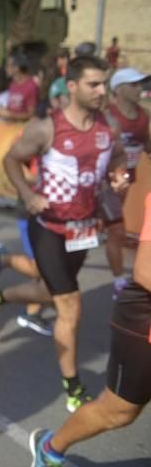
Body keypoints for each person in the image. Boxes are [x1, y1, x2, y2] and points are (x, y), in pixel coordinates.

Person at [0, 55, 129, 412]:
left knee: (49, 290)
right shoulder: (47, 128)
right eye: (93, 84)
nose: (101, 90)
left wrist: (119, 176)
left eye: (104, 83)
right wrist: (28, 195)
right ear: (72, 86)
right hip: (49, 228)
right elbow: (10, 160)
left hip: (84, 230)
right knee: (70, 305)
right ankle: (74, 388)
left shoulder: (107, 127)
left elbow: (120, 157)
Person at [28, 190, 151, 467]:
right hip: (144, 319)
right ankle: (51, 448)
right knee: (119, 412)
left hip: (77, 231)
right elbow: (144, 269)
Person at [104, 67, 150, 296]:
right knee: (117, 231)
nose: (139, 89)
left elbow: (147, 145)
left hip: (128, 183)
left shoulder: (144, 116)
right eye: (133, 85)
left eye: (140, 84)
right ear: (119, 90)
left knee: (118, 230)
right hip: (105, 183)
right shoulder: (108, 116)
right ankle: (119, 281)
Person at [0, 53, 39, 121]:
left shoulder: (31, 86)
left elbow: (31, 114)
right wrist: (2, 110)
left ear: (17, 68)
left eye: (8, 65)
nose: (6, 68)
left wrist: (11, 115)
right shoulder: (12, 85)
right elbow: (12, 108)